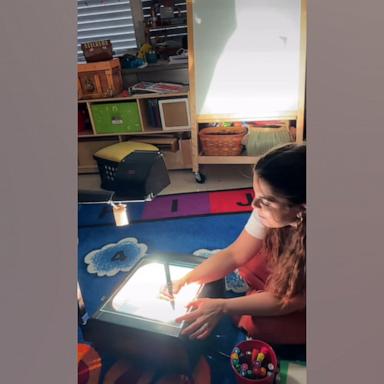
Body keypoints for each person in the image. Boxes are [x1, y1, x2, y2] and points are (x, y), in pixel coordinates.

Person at [164, 143, 306, 345]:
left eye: (265, 202)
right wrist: (187, 279)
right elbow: (235, 254)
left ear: (301, 208)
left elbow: (289, 302)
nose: (253, 205)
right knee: (250, 265)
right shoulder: (270, 212)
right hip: (295, 263)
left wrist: (224, 306)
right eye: (255, 194)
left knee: (264, 326)